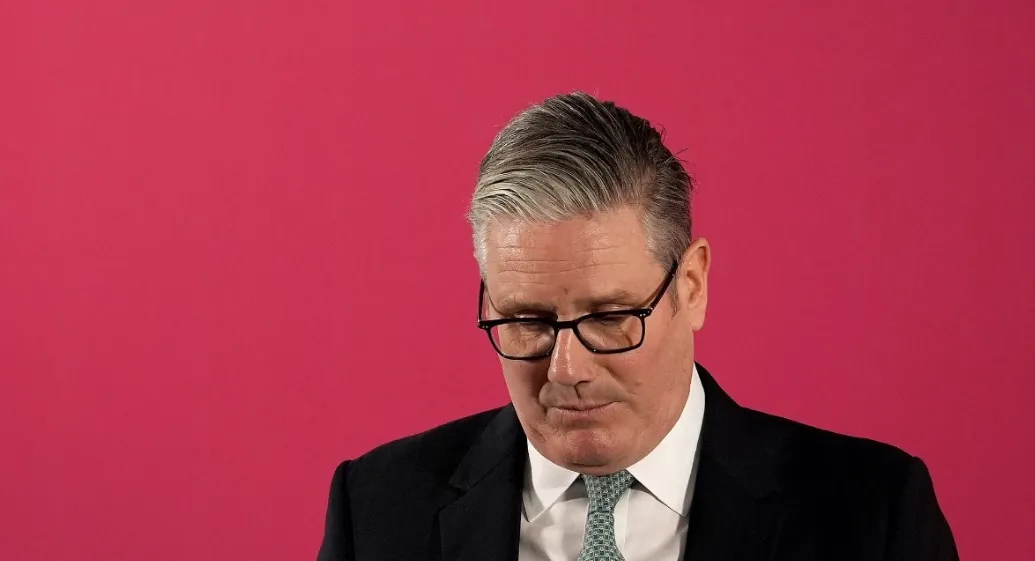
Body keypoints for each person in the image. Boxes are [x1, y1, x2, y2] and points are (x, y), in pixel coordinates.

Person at [316, 92, 958, 561]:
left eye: (611, 317)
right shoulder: (376, 508)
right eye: (526, 321)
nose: (567, 370)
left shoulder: (872, 514)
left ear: (692, 285)